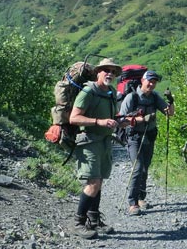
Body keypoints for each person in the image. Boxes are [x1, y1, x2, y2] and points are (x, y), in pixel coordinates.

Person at [68, 57, 123, 239]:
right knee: (93, 183)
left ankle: (94, 220)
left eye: (113, 71)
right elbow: (74, 118)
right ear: (98, 72)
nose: (110, 73)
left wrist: (121, 122)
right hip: (89, 142)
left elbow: (112, 117)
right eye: (106, 70)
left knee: (98, 182)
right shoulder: (88, 91)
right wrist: (98, 122)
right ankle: (78, 223)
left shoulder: (111, 92)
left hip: (105, 142)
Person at [118, 70, 174, 216]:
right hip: (134, 137)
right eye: (149, 81)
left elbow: (169, 113)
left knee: (145, 167)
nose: (152, 84)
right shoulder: (131, 98)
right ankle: (133, 203)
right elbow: (121, 121)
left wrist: (171, 102)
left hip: (149, 136)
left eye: (154, 82)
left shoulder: (155, 97)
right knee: (137, 167)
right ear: (142, 80)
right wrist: (142, 120)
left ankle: (141, 197)